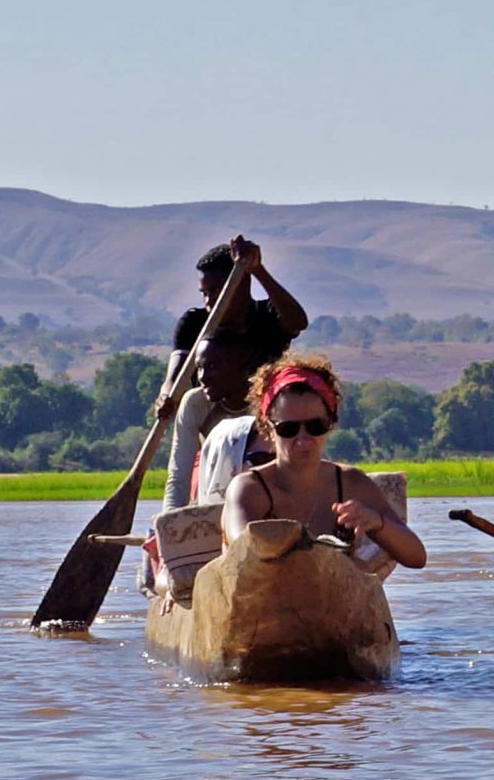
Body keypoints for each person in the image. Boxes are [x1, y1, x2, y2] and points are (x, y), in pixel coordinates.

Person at [221, 356, 426, 571]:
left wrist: (377, 522)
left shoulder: (350, 483)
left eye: (316, 426)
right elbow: (242, 552)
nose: (303, 439)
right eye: (288, 429)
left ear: (330, 424)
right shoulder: (249, 488)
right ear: (268, 430)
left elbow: (416, 557)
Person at [167, 237, 306, 395]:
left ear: (242, 284)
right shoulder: (193, 323)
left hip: (263, 411)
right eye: (204, 293)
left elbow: (298, 323)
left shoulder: (269, 315)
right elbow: (173, 379)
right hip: (209, 415)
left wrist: (257, 270)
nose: (208, 301)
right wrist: (166, 398)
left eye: (215, 291)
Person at [162, 340, 260, 509]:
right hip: (212, 494)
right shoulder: (195, 403)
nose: (202, 377)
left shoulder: (267, 403)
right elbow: (179, 477)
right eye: (199, 367)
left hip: (259, 494)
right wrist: (169, 522)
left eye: (213, 367)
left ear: (242, 367)